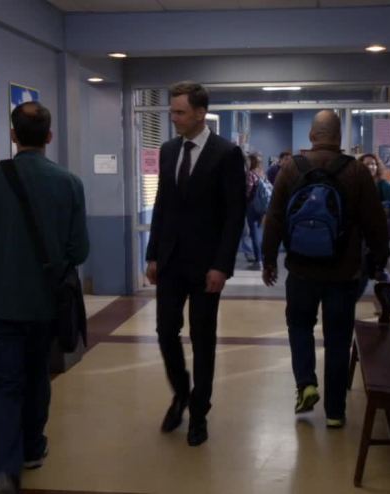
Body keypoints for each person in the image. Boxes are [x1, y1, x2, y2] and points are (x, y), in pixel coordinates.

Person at [0, 102, 89, 494]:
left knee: (1, 383)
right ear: (49, 136)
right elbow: (79, 249)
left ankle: (1, 469)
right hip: (46, 304)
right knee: (36, 375)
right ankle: (32, 448)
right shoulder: (69, 183)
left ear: (13, 135)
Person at [261, 110, 389, 428]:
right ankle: (334, 412)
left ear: (311, 136)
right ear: (339, 136)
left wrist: (268, 260)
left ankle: (306, 384)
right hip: (343, 273)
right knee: (338, 338)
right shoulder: (357, 171)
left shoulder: (291, 168)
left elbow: (274, 217)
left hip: (301, 270)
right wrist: (378, 260)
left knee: (299, 327)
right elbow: (375, 222)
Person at [145, 81, 245, 446]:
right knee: (164, 331)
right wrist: (152, 254)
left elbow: (234, 215)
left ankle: (199, 411)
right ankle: (181, 392)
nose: (173, 118)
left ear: (201, 113)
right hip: (171, 262)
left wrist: (222, 266)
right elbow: (162, 205)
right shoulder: (169, 150)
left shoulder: (226, 153)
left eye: (180, 112)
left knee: (203, 339)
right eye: (172, 111)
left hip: (206, 266)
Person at [357, 153, 390, 312]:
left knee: (371, 270)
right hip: (362, 237)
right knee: (373, 271)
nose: (371, 167)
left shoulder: (384, 186)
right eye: (367, 164)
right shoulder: (358, 185)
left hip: (378, 237)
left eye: (374, 164)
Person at [245, 153, 264, 270]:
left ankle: (258, 261)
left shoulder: (250, 174)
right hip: (261, 206)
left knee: (254, 233)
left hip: (252, 206)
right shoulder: (261, 173)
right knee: (259, 233)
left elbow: (248, 190)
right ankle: (261, 258)